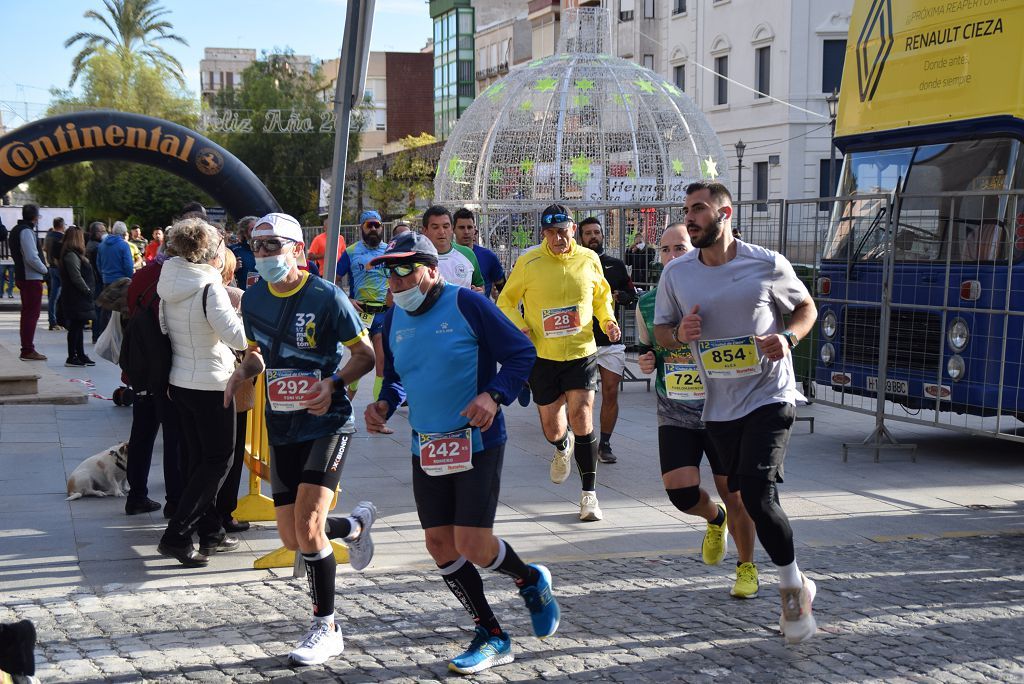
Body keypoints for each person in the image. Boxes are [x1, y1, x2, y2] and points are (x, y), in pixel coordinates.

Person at [364, 232, 560, 675]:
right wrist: (383, 404)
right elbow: (396, 375)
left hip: (477, 440)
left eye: (404, 270)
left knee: (471, 543)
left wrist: (493, 396)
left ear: (432, 270)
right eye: (387, 271)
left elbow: (521, 353)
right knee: (438, 544)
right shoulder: (393, 318)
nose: (395, 281)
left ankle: (529, 579)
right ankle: (491, 633)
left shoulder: (468, 305)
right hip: (427, 443)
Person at [654, 181, 819, 644]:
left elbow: (805, 307)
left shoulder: (765, 263)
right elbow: (662, 331)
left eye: (700, 209)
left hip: (770, 394)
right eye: (687, 209)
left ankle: (790, 593)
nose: (691, 217)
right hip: (720, 404)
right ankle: (802, 581)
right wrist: (679, 333)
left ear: (725, 213)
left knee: (756, 491)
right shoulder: (678, 274)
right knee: (747, 496)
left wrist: (788, 338)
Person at [224, 212, 378, 666]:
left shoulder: (326, 296)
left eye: (275, 245)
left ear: (296, 248)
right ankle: (352, 527)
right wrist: (241, 372)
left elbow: (364, 354)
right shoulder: (252, 299)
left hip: (327, 422)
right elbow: (257, 355)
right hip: (282, 424)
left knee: (308, 526)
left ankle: (325, 626)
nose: (266, 254)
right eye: (259, 246)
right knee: (294, 537)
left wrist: (332, 383)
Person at [636, 222, 758, 598]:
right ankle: (713, 518)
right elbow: (651, 348)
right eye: (665, 250)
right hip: (675, 409)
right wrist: (648, 360)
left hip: (724, 410)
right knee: (680, 493)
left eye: (680, 248)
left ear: (696, 250)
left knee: (735, 493)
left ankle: (746, 567)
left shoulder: (721, 293)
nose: (672, 256)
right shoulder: (648, 302)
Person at [496, 204, 619, 521]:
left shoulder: (589, 259)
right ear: (543, 234)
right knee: (553, 427)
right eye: (550, 233)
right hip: (543, 356)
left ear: (573, 230)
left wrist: (607, 321)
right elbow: (505, 301)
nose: (557, 238)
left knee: (582, 415)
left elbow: (602, 298)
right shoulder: (529, 261)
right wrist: (520, 326)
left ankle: (589, 496)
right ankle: (561, 445)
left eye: (563, 231)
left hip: (581, 351)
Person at [156, 217, 246, 567]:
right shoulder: (209, 287)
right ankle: (177, 535)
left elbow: (167, 329)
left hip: (181, 380)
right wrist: (242, 313)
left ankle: (211, 533)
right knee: (218, 460)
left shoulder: (170, 281)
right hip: (212, 382)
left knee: (197, 459)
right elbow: (236, 337)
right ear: (210, 252)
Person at [121, 234, 184, 518]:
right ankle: (174, 502)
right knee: (174, 437)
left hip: (141, 366)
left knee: (142, 433)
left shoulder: (142, 275)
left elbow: (131, 309)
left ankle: (136, 496)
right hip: (170, 366)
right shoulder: (179, 278)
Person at [578, 217, 636, 464]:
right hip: (581, 341)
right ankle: (583, 439)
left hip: (610, 340)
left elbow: (632, 297)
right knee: (583, 396)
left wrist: (621, 296)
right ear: (580, 237)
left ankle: (605, 444)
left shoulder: (616, 265)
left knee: (611, 392)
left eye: (597, 232)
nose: (593, 237)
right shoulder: (574, 263)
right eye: (588, 233)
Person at [215, 247, 250, 533]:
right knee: (231, 454)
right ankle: (224, 514)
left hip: (194, 384)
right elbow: (245, 340)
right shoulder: (234, 297)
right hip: (234, 383)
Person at [336, 210, 389, 402]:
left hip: (383, 313)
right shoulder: (350, 252)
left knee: (381, 361)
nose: (374, 229)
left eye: (377, 225)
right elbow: (334, 281)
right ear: (362, 228)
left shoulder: (389, 250)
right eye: (369, 225)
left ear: (382, 227)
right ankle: (347, 401)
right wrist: (347, 300)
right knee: (360, 359)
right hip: (360, 314)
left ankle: (379, 411)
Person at [10, 204, 48, 361]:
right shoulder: (26, 231)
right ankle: (27, 349)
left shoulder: (16, 230)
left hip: (24, 276)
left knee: (27, 314)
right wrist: (45, 270)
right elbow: (31, 257)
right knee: (31, 314)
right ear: (35, 217)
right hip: (31, 277)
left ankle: (27, 347)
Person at [57, 226, 96, 368]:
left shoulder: (74, 255)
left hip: (78, 297)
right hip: (76, 297)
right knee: (75, 327)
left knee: (79, 326)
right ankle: (72, 356)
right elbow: (76, 277)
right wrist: (87, 290)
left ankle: (80, 354)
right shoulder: (71, 255)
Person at [421, 205, 483, 291]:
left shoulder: (468, 254)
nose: (441, 232)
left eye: (446, 226)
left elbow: (480, 287)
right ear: (425, 231)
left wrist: (479, 294)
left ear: (452, 229)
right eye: (435, 227)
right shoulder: (416, 258)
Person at [453, 208, 505, 299]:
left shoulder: (488, 257)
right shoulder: (445, 256)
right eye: (461, 228)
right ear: (453, 229)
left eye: (469, 227)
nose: (466, 232)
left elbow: (504, 291)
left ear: (474, 230)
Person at [96, 221, 133, 341]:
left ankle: (103, 335)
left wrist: (104, 274)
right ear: (123, 233)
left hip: (106, 280)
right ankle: (118, 337)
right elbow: (128, 265)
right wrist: (130, 277)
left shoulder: (102, 245)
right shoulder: (124, 245)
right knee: (120, 311)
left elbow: (98, 263)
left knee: (106, 309)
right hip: (121, 281)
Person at [44, 217, 67, 331]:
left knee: (53, 297)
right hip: (60, 268)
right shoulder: (61, 238)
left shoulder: (48, 236)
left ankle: (52, 321)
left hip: (51, 267)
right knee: (65, 295)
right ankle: (65, 320)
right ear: (62, 225)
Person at [85, 222, 106, 342]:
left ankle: (96, 334)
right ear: (95, 233)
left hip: (94, 280)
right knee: (99, 309)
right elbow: (98, 266)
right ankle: (97, 334)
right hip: (97, 281)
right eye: (102, 231)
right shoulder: (96, 247)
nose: (104, 234)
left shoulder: (93, 244)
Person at [229, 216, 259, 290]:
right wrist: (233, 268)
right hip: (240, 294)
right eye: (252, 229)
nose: (256, 232)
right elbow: (223, 274)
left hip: (263, 293)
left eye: (257, 229)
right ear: (244, 233)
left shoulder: (267, 249)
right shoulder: (233, 250)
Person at [0, 218, 15, 299]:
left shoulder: (3, 235)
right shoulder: (9, 235)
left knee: (3, 277)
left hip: (5, 259)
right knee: (10, 278)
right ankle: (8, 293)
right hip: (8, 259)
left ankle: (3, 293)